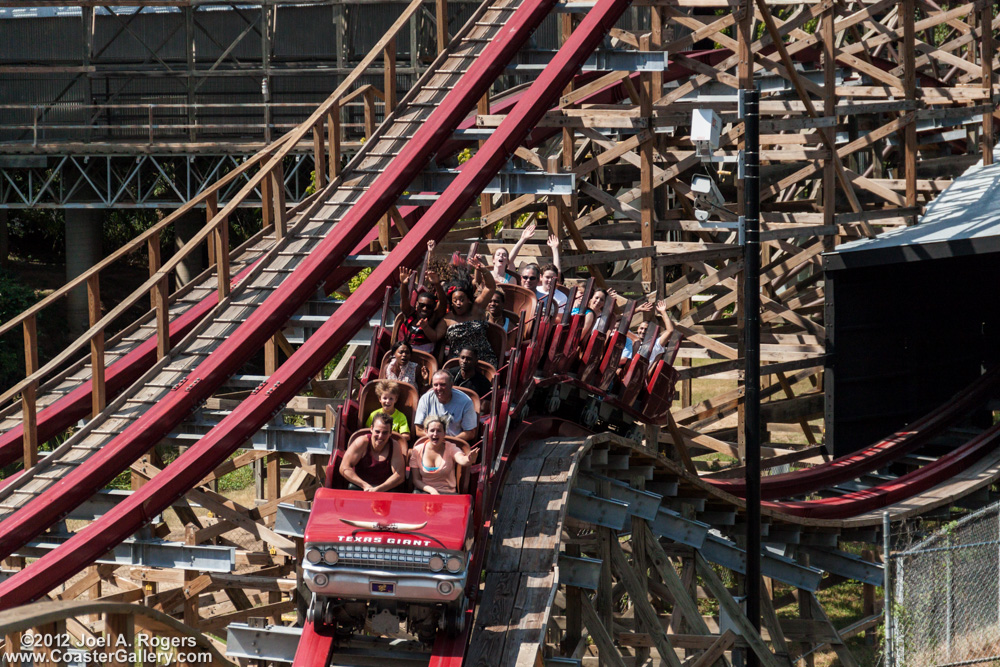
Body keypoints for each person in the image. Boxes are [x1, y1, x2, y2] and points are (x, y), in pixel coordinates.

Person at [435, 258, 499, 368]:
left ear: (468, 299)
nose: (458, 303)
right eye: (455, 301)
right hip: (458, 363)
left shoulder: (477, 309)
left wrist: (484, 270)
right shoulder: (447, 319)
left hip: (483, 360)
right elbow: (435, 336)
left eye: (462, 300)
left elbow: (490, 287)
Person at [339, 413, 405, 492]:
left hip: (385, 489)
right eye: (377, 431)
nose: (380, 436)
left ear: (390, 433)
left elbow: (399, 475)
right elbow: (344, 467)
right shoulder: (361, 442)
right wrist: (365, 485)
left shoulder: (394, 446)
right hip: (361, 487)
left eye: (385, 433)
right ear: (371, 429)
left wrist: (378, 489)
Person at [409, 416, 472, 495]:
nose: (435, 434)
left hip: (447, 493)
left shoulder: (451, 448)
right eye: (432, 430)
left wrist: (468, 459)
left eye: (439, 431)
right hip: (424, 491)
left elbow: (461, 459)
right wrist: (432, 490)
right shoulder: (417, 450)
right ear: (426, 431)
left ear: (444, 433)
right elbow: (416, 480)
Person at [415, 371, 478, 443]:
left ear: (451, 385)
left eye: (442, 385)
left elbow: (470, 432)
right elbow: (418, 430)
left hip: (455, 443)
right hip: (430, 442)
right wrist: (436, 439)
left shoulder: (465, 401)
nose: (439, 388)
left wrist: (448, 442)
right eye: (435, 385)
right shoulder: (425, 399)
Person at [398, 267, 445, 353]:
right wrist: (404, 284)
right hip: (404, 353)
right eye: (422, 305)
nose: (424, 309)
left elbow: (443, 304)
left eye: (429, 307)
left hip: (423, 356)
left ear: (433, 308)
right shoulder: (410, 313)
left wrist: (437, 284)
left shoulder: (433, 318)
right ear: (416, 305)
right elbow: (404, 299)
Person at [622, 300, 675, 365]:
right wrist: (637, 310)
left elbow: (670, 330)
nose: (643, 331)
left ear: (651, 332)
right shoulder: (632, 338)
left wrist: (663, 312)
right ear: (638, 329)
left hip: (642, 372)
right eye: (641, 328)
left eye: (646, 330)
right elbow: (620, 321)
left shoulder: (656, 343)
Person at [365, 379, 410, 445]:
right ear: (380, 399)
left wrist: (387, 438)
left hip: (393, 445)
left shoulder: (401, 417)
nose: (387, 401)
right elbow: (366, 432)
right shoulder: (373, 415)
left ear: (396, 399)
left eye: (391, 398)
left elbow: (406, 436)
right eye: (385, 398)